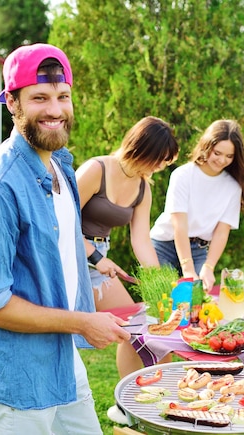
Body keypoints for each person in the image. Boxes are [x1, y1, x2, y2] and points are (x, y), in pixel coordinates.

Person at [0, 43, 130, 435]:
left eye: (62, 96)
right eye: (39, 98)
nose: (55, 109)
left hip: (63, 359)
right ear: (12, 103)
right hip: (19, 378)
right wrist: (83, 323)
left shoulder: (62, 167)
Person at [76, 116, 178, 372]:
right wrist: (96, 258)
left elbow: (141, 239)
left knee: (136, 327)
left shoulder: (143, 187)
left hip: (99, 259)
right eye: (160, 159)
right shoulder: (96, 170)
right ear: (143, 149)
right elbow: (60, 223)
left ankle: (132, 403)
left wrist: (159, 282)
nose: (160, 167)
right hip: (67, 256)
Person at [150, 119, 244, 291]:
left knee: (198, 304)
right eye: (217, 153)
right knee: (163, 301)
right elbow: (179, 224)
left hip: (199, 249)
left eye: (229, 156)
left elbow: (221, 232)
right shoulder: (183, 175)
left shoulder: (233, 186)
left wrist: (209, 266)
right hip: (164, 245)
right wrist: (187, 269)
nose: (222, 160)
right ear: (207, 146)